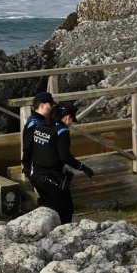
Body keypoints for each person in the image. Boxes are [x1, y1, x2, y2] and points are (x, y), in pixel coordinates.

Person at [23, 93, 94, 224]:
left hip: (36, 175)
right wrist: (83, 168)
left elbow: (30, 147)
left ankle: (51, 233)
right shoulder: (61, 132)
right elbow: (65, 156)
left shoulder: (41, 126)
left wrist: (27, 166)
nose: (71, 123)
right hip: (50, 177)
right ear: (67, 117)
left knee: (50, 208)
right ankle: (62, 235)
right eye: (72, 119)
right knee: (66, 209)